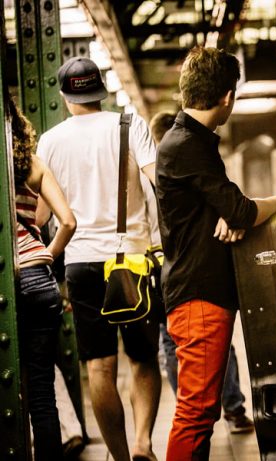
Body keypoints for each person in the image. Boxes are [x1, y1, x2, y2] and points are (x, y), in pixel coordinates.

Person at [155, 47, 276, 460]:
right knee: (196, 413)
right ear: (227, 97)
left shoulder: (192, 143)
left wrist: (232, 213)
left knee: (201, 411)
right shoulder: (186, 145)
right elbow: (240, 209)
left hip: (201, 293)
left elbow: (227, 210)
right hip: (197, 297)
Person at [37, 57, 162, 461]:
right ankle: (144, 443)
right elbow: (159, 180)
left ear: (63, 95)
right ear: (100, 90)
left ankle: (123, 457)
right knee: (143, 359)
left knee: (99, 368)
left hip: (81, 262)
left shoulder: (50, 142)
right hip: (133, 261)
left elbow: (39, 216)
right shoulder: (129, 125)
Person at [149, 111, 254, 434]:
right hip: (187, 275)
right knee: (194, 413)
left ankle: (200, 397)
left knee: (172, 345)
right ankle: (232, 407)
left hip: (160, 268)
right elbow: (233, 208)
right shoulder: (180, 160)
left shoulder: (156, 167)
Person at [10, 94, 77, 460]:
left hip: (9, 280)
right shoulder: (32, 164)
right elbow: (66, 221)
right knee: (41, 391)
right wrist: (46, 256)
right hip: (39, 277)